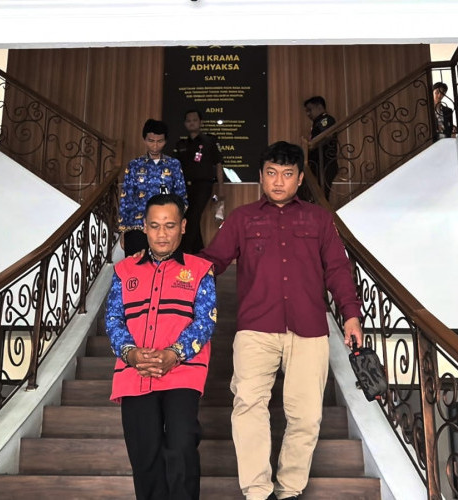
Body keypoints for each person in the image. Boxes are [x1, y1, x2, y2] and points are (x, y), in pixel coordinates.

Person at [199, 141, 363, 500]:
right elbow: (214, 261)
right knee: (248, 407)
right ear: (260, 176)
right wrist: (174, 268)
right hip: (256, 329)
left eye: (287, 174)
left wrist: (351, 315)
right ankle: (257, 492)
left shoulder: (319, 219)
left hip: (309, 329)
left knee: (306, 416)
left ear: (300, 178)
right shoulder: (242, 218)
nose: (278, 181)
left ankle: (289, 490)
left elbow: (337, 269)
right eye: (271, 173)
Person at [106, 193, 217, 500]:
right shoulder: (124, 270)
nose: (162, 233)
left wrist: (174, 354)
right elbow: (113, 318)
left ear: (183, 226)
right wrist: (130, 354)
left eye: (170, 225)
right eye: (154, 226)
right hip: (134, 375)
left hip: (182, 374)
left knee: (182, 447)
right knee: (145, 456)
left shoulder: (200, 270)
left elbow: (205, 321)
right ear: (144, 227)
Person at [119, 119, 188, 256]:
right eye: (151, 141)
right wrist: (123, 230)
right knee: (136, 265)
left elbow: (182, 198)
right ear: (144, 140)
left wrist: (175, 223)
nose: (155, 146)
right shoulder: (134, 165)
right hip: (137, 227)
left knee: (164, 266)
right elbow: (126, 199)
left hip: (165, 228)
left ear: (165, 141)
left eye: (159, 141)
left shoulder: (173, 164)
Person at [174, 109, 224, 254]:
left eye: (194, 120)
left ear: (200, 122)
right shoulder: (181, 144)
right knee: (188, 217)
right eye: (188, 121)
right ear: (185, 123)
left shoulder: (210, 141)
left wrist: (221, 188)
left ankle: (185, 252)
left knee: (192, 216)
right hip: (184, 187)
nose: (192, 123)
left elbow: (219, 164)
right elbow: (175, 168)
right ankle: (199, 252)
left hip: (203, 185)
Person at [304, 96, 339, 200]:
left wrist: (311, 145)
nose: (308, 114)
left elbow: (327, 136)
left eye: (310, 110)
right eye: (306, 111)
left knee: (321, 196)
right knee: (316, 194)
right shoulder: (317, 123)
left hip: (325, 163)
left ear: (319, 107)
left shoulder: (326, 119)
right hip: (318, 164)